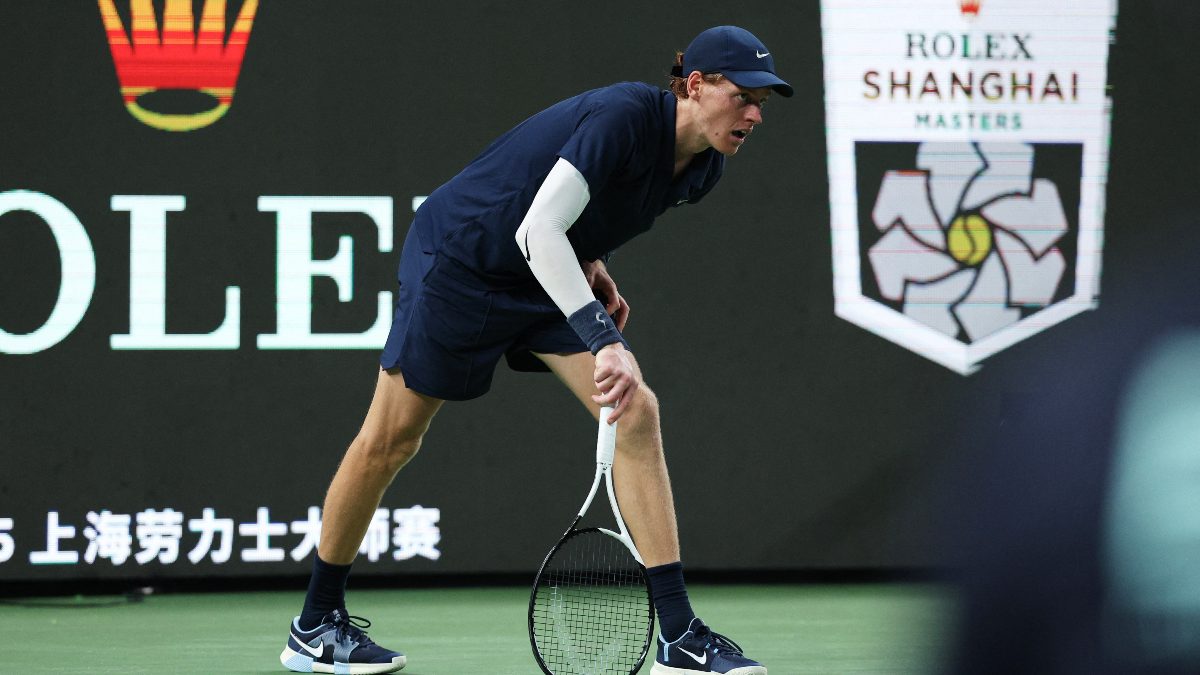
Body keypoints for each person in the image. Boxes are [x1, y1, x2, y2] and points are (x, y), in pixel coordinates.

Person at [279, 25, 791, 675]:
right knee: (390, 440)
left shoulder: (704, 166)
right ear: (695, 86)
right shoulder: (622, 119)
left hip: (542, 274)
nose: (753, 114)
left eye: (763, 105)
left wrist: (592, 260)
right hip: (463, 261)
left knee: (636, 412)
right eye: (743, 96)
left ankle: (679, 635)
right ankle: (315, 623)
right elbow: (538, 224)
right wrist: (604, 338)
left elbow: (580, 217)